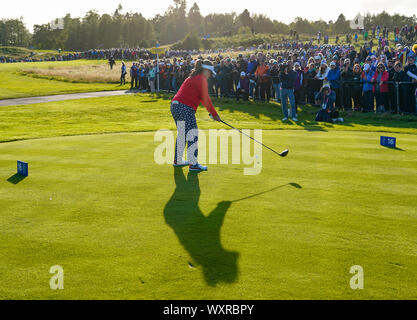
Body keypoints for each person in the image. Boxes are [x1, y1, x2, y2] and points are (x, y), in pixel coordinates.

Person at [171, 60, 221, 172]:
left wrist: (212, 113)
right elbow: (206, 99)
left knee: (183, 134)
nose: (210, 75)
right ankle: (193, 164)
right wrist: (215, 114)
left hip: (175, 106)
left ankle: (178, 160)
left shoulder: (194, 77)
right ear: (205, 70)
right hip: (184, 108)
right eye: (209, 72)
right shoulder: (201, 79)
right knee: (192, 134)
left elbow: (202, 99)